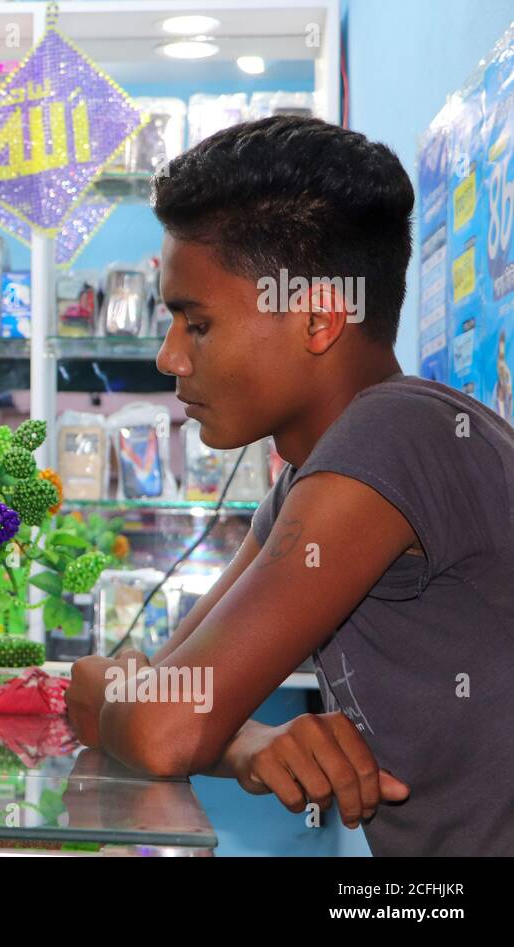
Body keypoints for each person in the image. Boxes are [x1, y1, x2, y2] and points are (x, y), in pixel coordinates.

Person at [65, 116, 514, 856]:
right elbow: (175, 694)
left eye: (196, 323)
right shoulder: (315, 475)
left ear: (318, 318)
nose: (169, 356)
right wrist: (243, 742)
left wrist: (135, 702)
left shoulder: (395, 436)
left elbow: (161, 722)